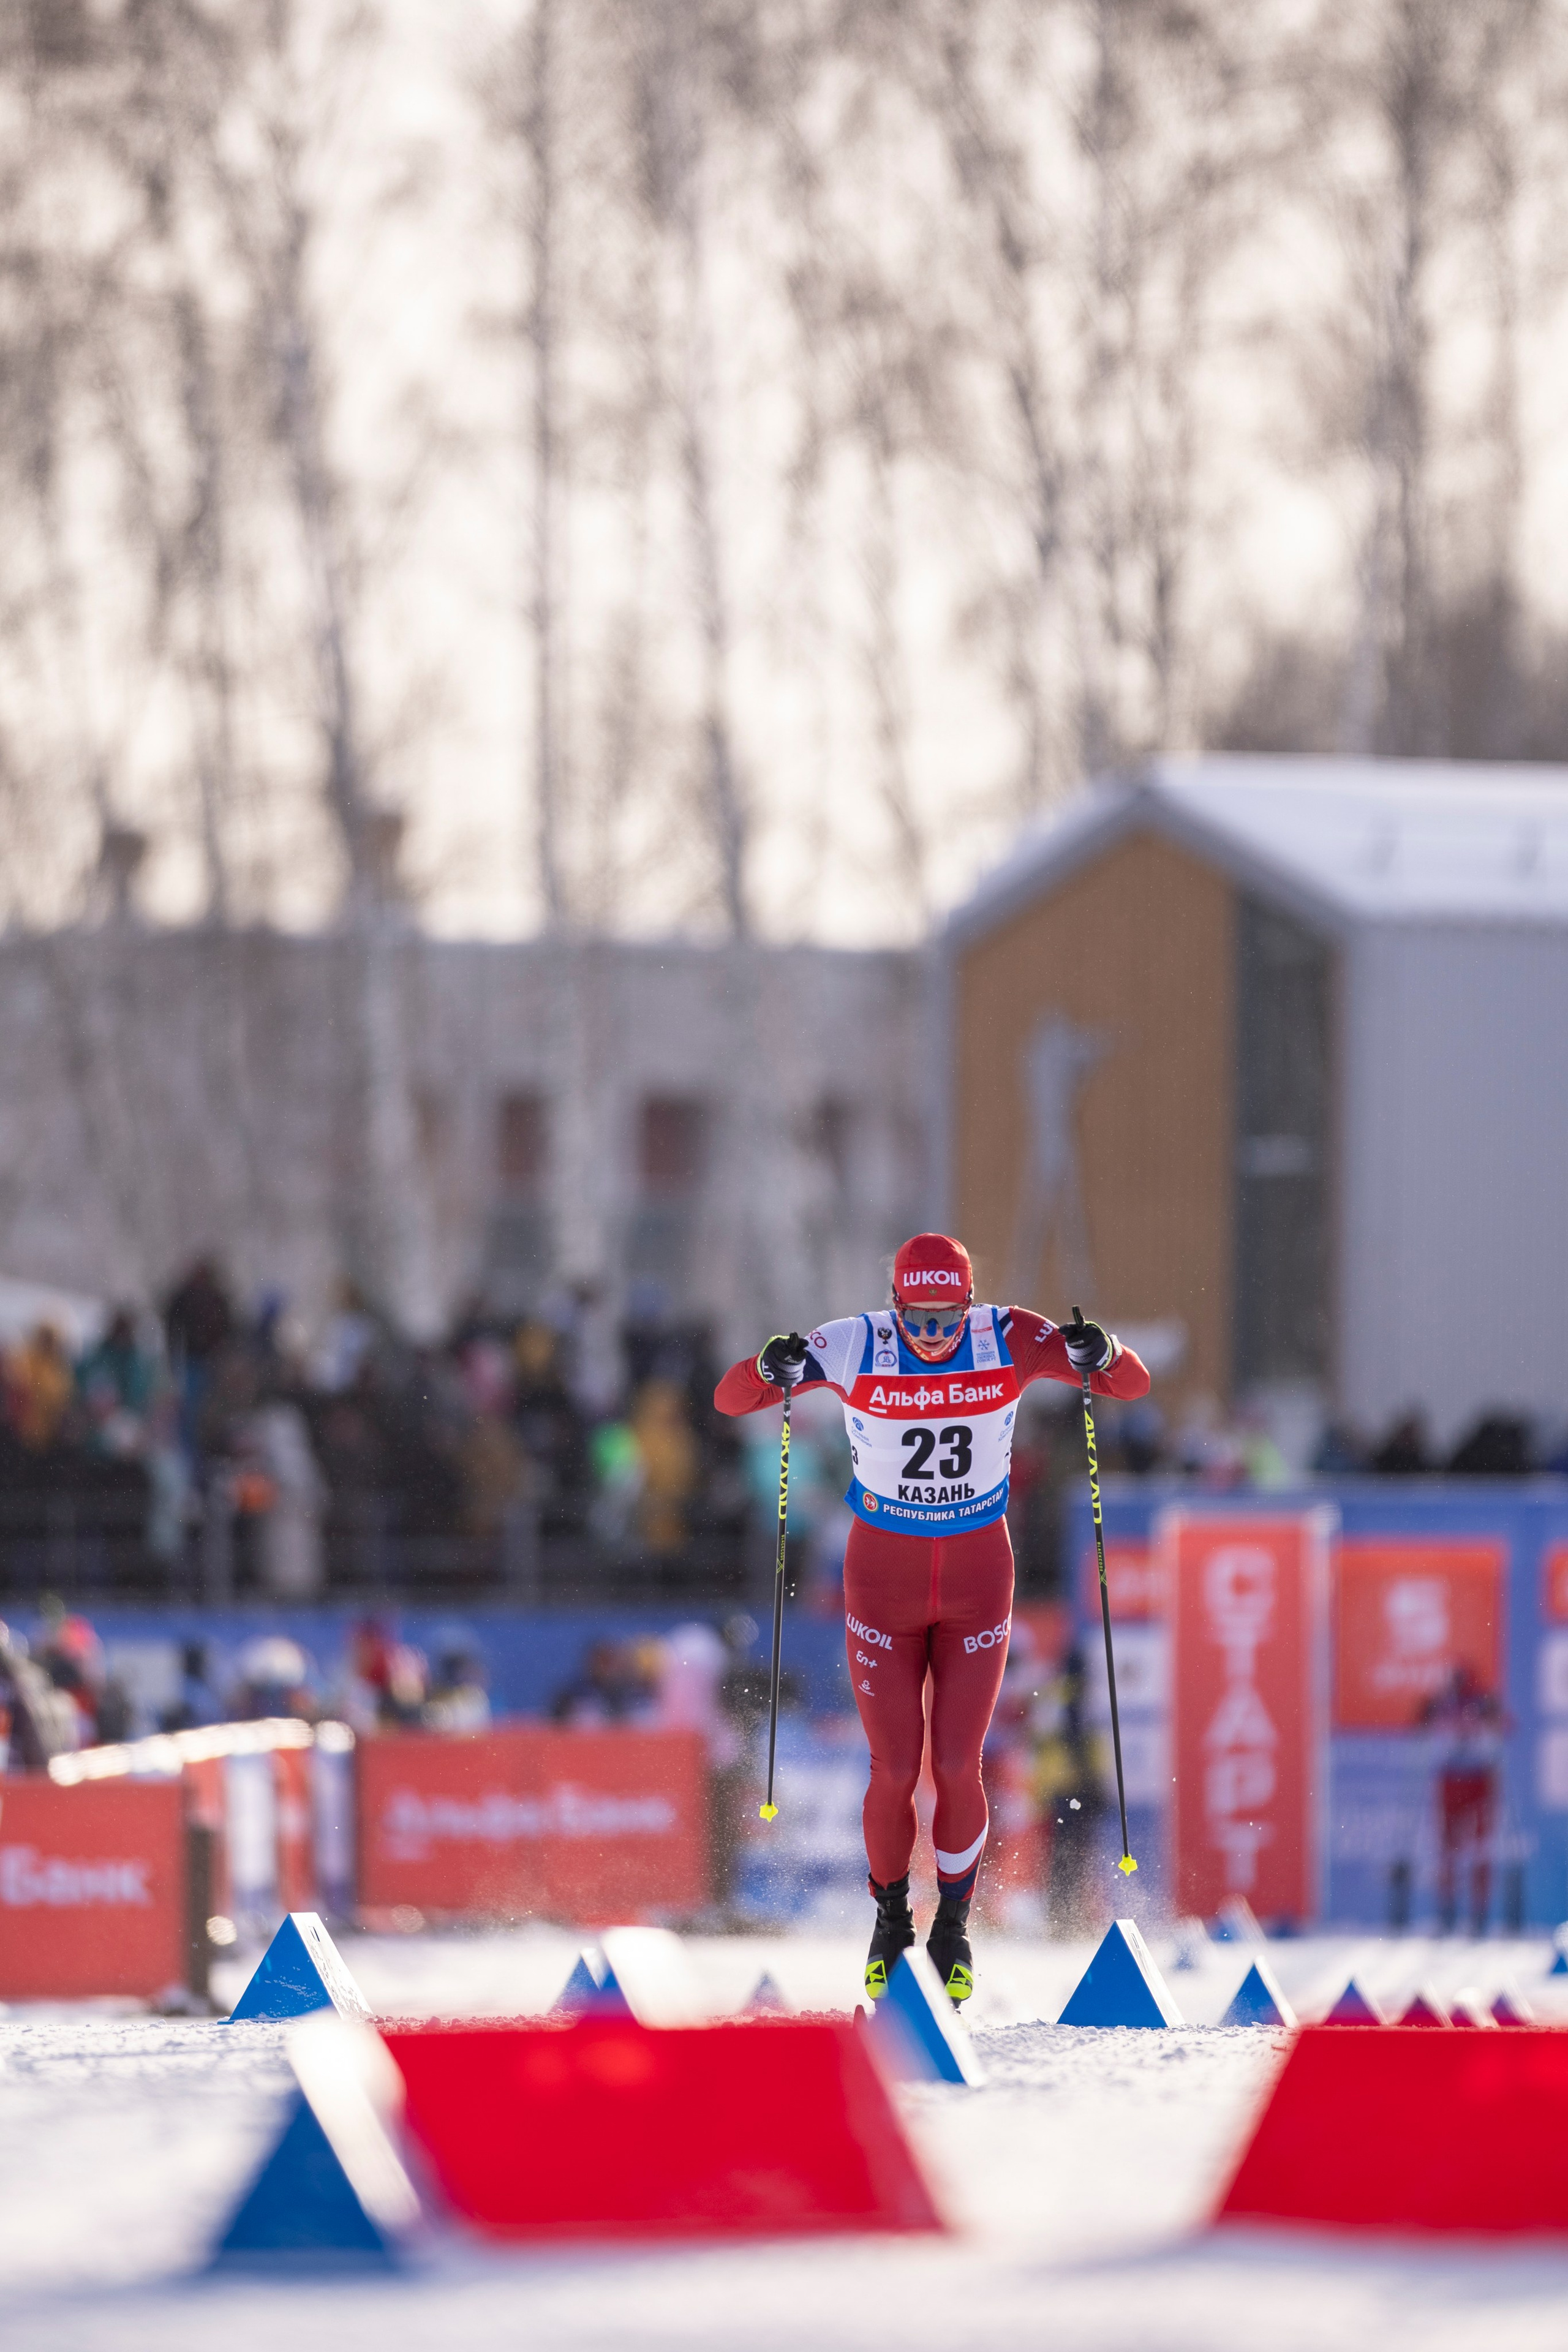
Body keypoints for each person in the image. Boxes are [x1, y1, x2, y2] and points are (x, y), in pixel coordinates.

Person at [715, 1231, 1150, 2006]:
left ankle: (952, 1924)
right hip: (883, 1582)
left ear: (969, 1304)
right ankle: (890, 1920)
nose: (931, 1334)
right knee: (893, 1767)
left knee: (956, 1763)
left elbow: (1128, 1383)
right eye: (916, 1318)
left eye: (946, 1318)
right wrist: (766, 1368)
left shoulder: (1008, 1336)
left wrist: (1103, 1350)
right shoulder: (855, 1343)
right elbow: (731, 1399)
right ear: (894, 1305)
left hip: (978, 1579)